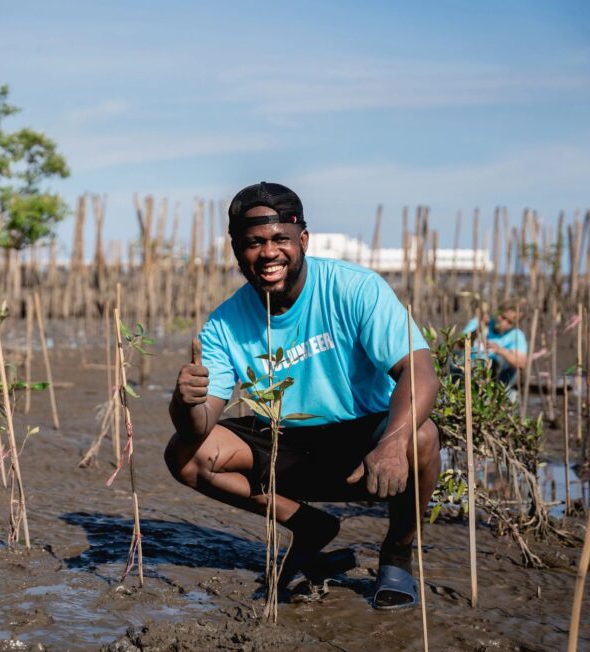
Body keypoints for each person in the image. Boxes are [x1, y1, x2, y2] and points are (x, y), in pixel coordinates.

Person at [165, 181, 441, 609]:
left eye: (280, 239)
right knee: (185, 453)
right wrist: (185, 403)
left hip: (364, 446)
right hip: (285, 444)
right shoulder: (222, 325)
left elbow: (419, 371)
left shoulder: (354, 288)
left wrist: (391, 443)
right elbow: (200, 425)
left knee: (421, 437)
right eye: (254, 242)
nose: (268, 252)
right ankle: (310, 525)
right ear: (237, 251)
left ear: (303, 240)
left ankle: (397, 555)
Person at [461, 302, 527, 387]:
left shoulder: (516, 335)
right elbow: (460, 344)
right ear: (497, 312)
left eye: (510, 322)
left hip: (497, 380)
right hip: (468, 374)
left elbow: (521, 363)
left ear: (515, 324)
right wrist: (478, 329)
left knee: (500, 362)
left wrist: (500, 350)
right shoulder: (480, 322)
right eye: (503, 317)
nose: (503, 323)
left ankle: (495, 391)